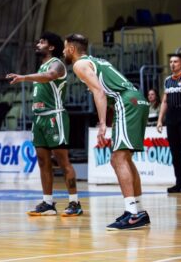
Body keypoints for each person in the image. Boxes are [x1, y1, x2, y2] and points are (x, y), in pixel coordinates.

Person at [64, 33, 150, 230]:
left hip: (126, 102)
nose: (63, 51)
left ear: (71, 49)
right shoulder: (96, 61)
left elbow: (99, 92)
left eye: (64, 47)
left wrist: (103, 124)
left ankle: (132, 214)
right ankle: (138, 210)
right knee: (124, 158)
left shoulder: (80, 65)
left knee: (118, 159)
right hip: (136, 100)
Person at [7, 32, 82, 217]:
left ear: (51, 47)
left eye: (42, 42)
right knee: (42, 162)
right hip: (39, 118)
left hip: (54, 116)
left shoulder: (57, 64)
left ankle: (75, 202)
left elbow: (50, 76)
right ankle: (48, 203)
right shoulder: (41, 66)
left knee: (63, 162)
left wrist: (24, 77)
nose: (38, 44)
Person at [156, 55, 181, 193]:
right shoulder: (167, 80)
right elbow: (165, 101)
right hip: (171, 116)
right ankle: (179, 183)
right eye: (171, 62)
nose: (172, 64)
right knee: (175, 151)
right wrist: (160, 120)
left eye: (175, 61)